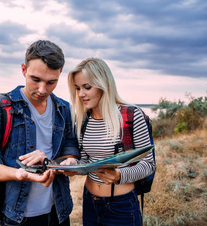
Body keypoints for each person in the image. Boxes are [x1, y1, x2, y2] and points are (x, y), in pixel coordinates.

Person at [0, 40, 80, 226]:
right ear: (23, 69)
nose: (42, 90)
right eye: (36, 79)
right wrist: (19, 174)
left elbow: (70, 148)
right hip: (16, 216)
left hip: (59, 212)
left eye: (51, 82)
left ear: (60, 74)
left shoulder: (64, 110)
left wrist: (70, 162)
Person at [67, 58, 156, 226]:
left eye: (87, 87)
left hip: (121, 206)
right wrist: (73, 167)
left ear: (104, 84)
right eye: (77, 88)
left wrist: (119, 175)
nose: (80, 94)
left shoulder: (132, 115)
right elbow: (87, 162)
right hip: (90, 202)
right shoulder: (83, 119)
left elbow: (148, 164)